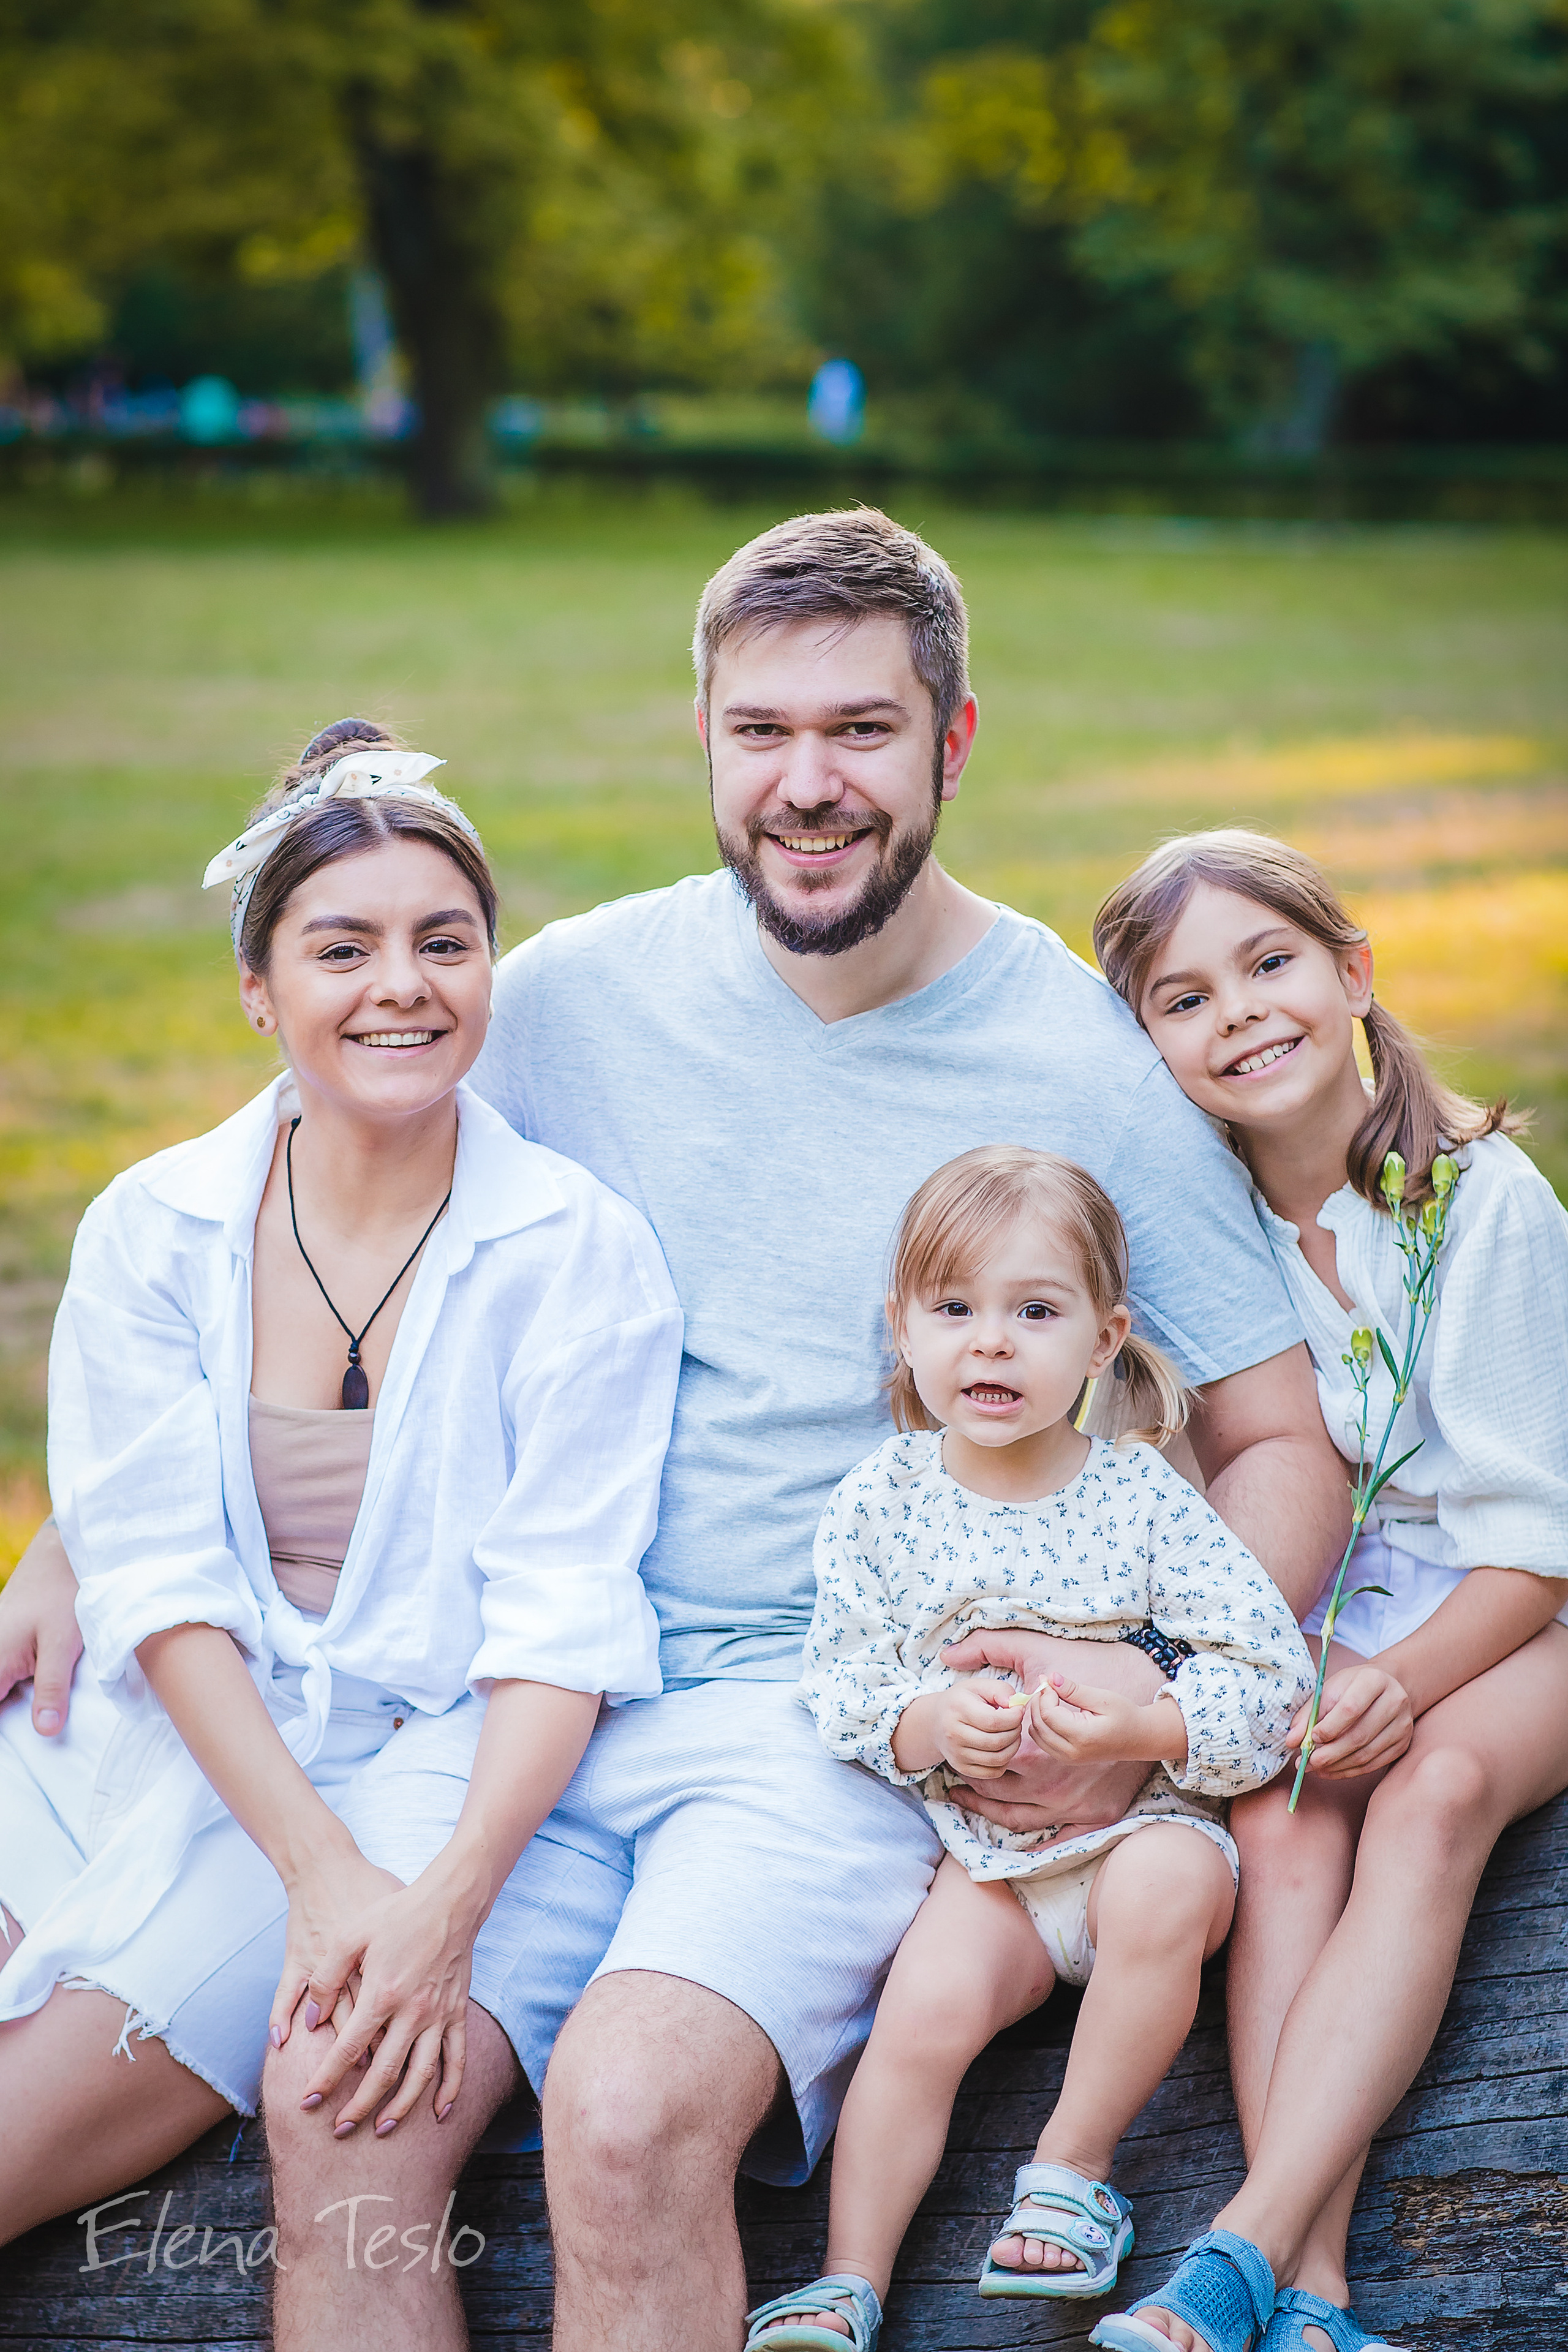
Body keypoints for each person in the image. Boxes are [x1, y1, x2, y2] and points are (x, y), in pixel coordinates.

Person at [0, 513, 1351, 2352]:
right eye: (761, 734)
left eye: (863, 733)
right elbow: (280, 1209)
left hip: (830, 1726)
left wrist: (1129, 1696)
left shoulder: (1070, 1053)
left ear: (953, 743)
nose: (809, 786)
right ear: (703, 740)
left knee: (631, 2121)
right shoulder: (566, 995)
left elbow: (1280, 1439)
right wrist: (77, 1537)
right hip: (513, 1703)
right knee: (335, 2095)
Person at [0, 722, 682, 2352]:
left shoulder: (574, 1253)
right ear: (260, 988)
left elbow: (559, 1622)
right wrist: (315, 1873)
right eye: (344, 947)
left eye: (446, 943)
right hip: (164, 1731)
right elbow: (152, 1574)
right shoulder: (155, 1227)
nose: (403, 985)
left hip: (430, 1761)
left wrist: (422, 1903)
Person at [1080, 829, 1568, 2352]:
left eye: (1267, 963)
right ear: (1147, 1051)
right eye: (1180, 998)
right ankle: (1318, 2300)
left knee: (1427, 1795)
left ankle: (1235, 2243)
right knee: (1280, 1824)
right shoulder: (1195, 1243)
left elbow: (1537, 1542)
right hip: (1339, 1613)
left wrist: (1403, 1683)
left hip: (1524, 1599)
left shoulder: (1475, 1202)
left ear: (1350, 973)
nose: (1235, 1013)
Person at [748, 1147, 1313, 2350]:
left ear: (1102, 1341)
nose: (989, 1344)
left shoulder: (1140, 1498)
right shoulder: (882, 1499)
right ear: (899, 1328)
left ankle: (1073, 2171)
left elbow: (1270, 1679)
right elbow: (841, 1680)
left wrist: (1138, 1724)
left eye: (1033, 1312)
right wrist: (930, 1725)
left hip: (1139, 1829)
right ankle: (850, 2277)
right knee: (919, 2017)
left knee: (1167, 1882)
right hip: (987, 1858)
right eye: (952, 1310)